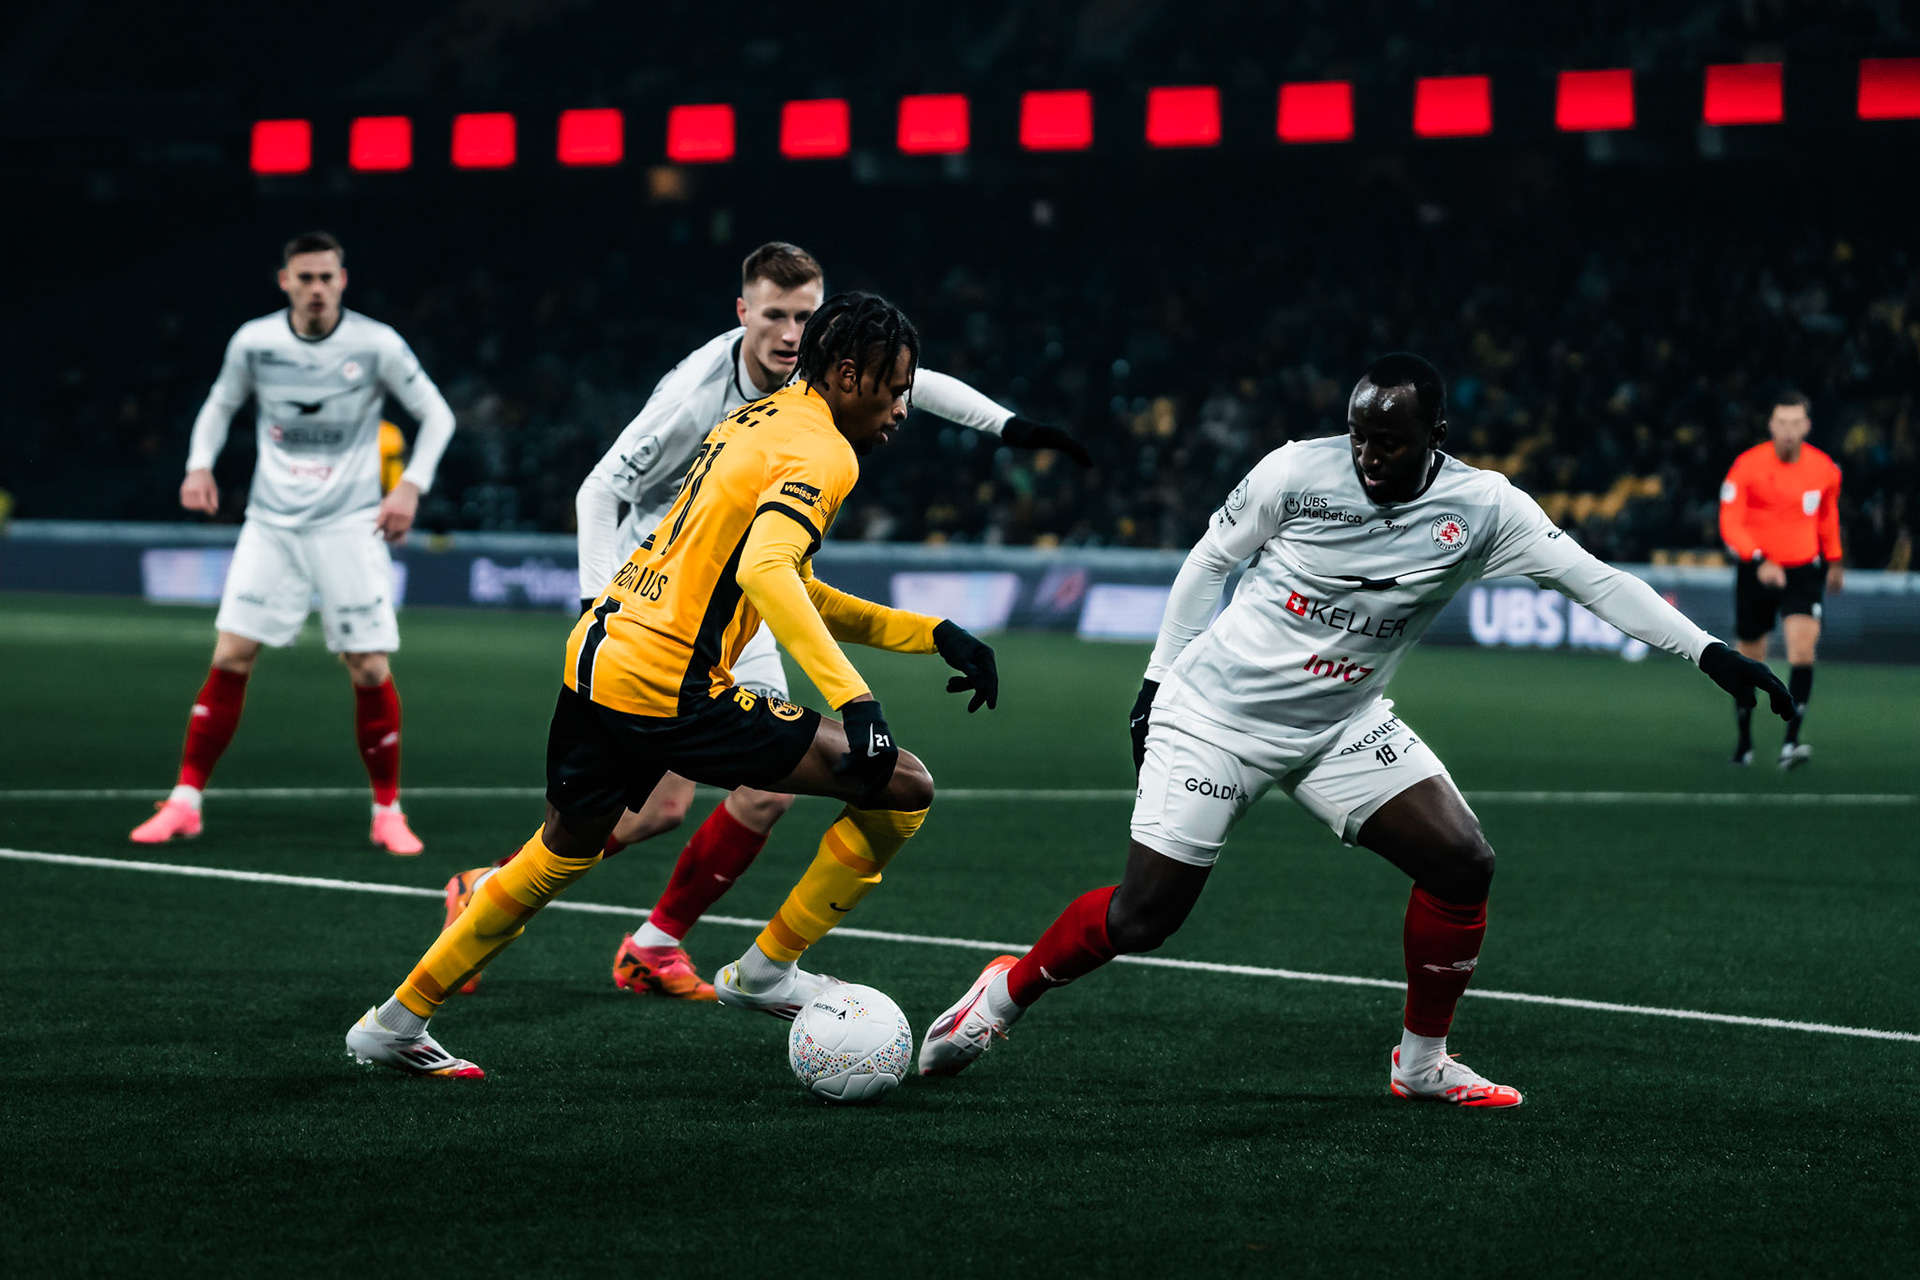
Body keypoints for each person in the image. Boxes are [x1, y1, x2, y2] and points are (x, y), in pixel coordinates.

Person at [917, 353, 1792, 1107]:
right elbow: (1209, 563)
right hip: (1217, 717)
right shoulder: (1297, 472)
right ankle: (1001, 996)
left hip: (1339, 726)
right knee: (1145, 918)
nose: (1370, 455)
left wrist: (1712, 654)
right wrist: (1154, 683)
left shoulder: (1483, 507)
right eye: (1360, 436)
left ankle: (1422, 1066)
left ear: (1435, 432)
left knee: (1463, 863)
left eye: (1391, 440)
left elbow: (1595, 581)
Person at [346, 292, 1001, 1077]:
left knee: (560, 851)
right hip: (670, 682)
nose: (902, 408)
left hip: (599, 652)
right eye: (895, 388)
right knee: (904, 786)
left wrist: (928, 634)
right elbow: (766, 572)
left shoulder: (761, 419)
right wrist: (856, 701)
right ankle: (766, 971)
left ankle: (394, 1022)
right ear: (850, 374)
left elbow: (787, 582)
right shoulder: (827, 453)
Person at [440, 241, 1082, 1001]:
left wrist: (1013, 429)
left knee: (754, 793)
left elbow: (921, 385)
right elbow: (598, 491)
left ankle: (653, 943)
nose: (788, 332)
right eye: (773, 315)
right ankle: (496, 892)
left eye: (804, 317)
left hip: (747, 594)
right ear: (743, 314)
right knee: (658, 811)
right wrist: (595, 601)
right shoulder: (697, 393)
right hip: (665, 599)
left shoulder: (823, 385)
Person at [130, 231, 456, 854]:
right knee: (230, 655)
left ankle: (387, 811)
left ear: (343, 280)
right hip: (272, 523)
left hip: (350, 523)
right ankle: (185, 802)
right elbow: (220, 403)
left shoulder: (376, 342)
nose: (315, 289)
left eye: (326, 278)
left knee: (369, 666)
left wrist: (410, 487)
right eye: (304, 278)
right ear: (284, 280)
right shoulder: (255, 342)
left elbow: (438, 414)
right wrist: (199, 464)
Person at [1718, 391, 1843, 770]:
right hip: (1756, 571)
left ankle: (1790, 743)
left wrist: (1834, 559)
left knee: (1802, 650)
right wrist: (1757, 558)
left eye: (1796, 422)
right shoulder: (1746, 466)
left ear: (1807, 426)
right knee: (1749, 656)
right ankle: (1744, 742)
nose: (1789, 430)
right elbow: (1730, 522)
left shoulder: (1825, 469)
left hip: (1804, 569)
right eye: (1782, 422)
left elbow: (1826, 516)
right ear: (1771, 425)